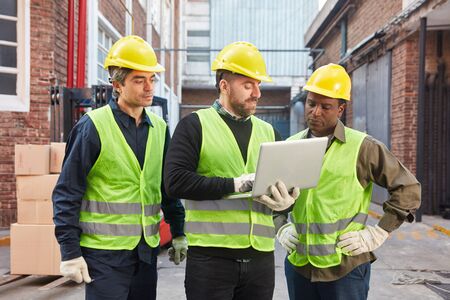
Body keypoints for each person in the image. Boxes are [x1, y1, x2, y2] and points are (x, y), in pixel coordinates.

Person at [52, 35, 187, 300]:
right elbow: (67, 192)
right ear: (117, 84)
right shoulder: (93, 127)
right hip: (104, 256)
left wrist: (179, 231)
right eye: (139, 80)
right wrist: (69, 251)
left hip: (146, 253)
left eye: (152, 79)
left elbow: (166, 187)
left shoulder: (160, 129)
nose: (149, 87)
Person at [164, 41, 299, 300]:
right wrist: (235, 185)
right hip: (211, 260)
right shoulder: (195, 126)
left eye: (258, 85)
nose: (257, 92)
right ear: (224, 86)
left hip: (260, 259)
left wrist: (287, 203)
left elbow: (284, 190)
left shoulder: (270, 133)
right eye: (248, 85)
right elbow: (175, 182)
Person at [277, 63, 421, 300]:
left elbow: (408, 188)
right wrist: (280, 224)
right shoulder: (290, 145)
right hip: (299, 266)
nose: (316, 112)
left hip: (345, 268)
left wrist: (378, 233)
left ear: (341, 109)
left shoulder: (363, 147)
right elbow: (272, 193)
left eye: (326, 107)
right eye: (312, 104)